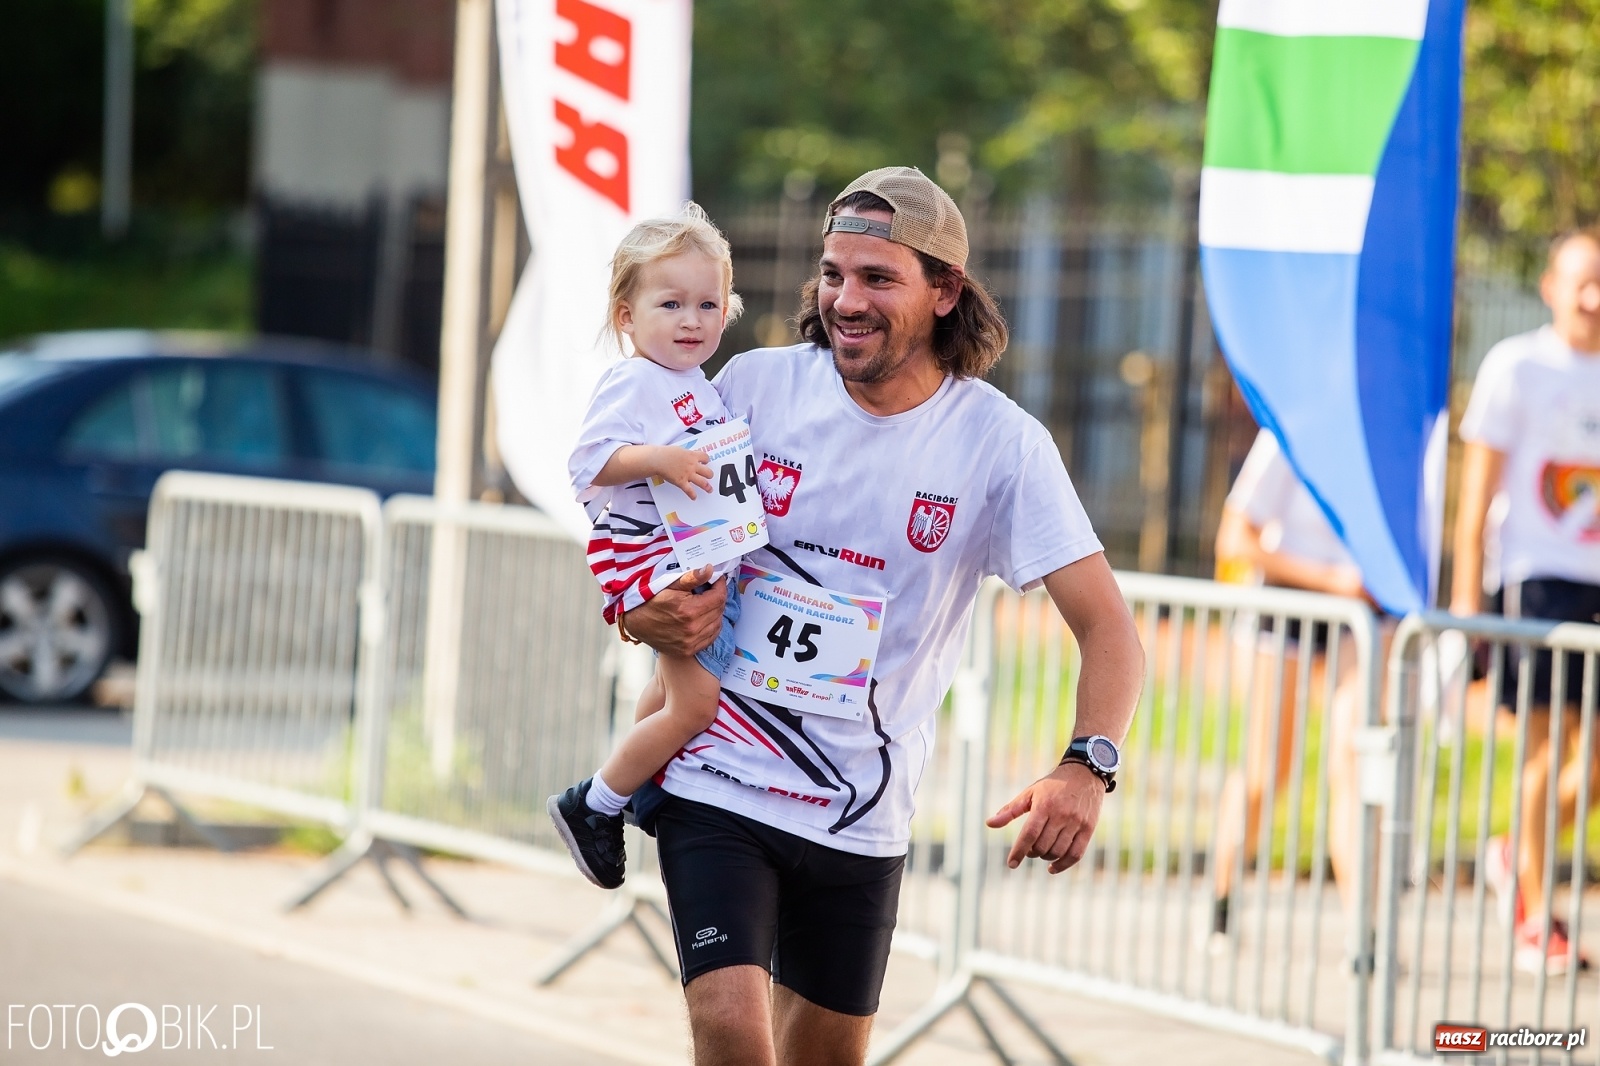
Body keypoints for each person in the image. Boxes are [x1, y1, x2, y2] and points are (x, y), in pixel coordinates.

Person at [616, 167, 1145, 1066]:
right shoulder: (754, 388)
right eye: (833, 274)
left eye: (876, 279)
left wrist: (1086, 766)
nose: (844, 301)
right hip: (719, 777)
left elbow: (1110, 630)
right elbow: (642, 539)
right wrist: (642, 617)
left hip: (860, 809)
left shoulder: (999, 444)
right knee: (732, 1033)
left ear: (945, 293)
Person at [548, 204, 747, 889]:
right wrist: (657, 459)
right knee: (695, 706)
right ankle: (595, 803)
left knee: (668, 691)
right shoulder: (635, 381)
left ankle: (636, 788)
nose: (691, 320)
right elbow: (588, 463)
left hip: (686, 554)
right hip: (646, 556)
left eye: (707, 304)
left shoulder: (697, 385)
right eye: (671, 303)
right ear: (627, 316)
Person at [1451, 226, 1600, 975]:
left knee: (1594, 764)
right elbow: (1477, 486)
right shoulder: (1518, 366)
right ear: (1551, 285)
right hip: (1535, 578)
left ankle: (1514, 850)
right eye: (1582, 279)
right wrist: (1463, 597)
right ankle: (1537, 918)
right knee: (1542, 749)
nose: (1594, 295)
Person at [1209, 429, 1368, 941]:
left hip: (1357, 614)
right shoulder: (1292, 430)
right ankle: (1221, 903)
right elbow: (1234, 540)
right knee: (1267, 768)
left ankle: (1363, 933)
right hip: (1287, 604)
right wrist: (1331, 580)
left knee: (1353, 764)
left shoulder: (1394, 431)